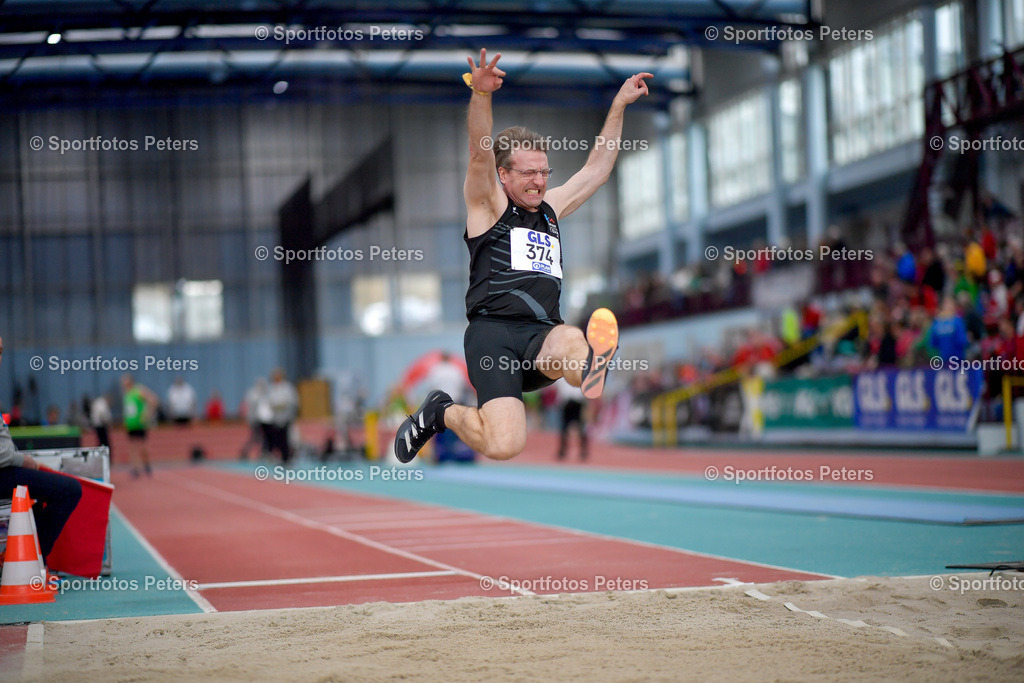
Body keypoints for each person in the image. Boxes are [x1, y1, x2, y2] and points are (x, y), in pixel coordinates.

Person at [394, 49, 651, 463]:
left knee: (571, 339)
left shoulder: (550, 207)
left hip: (541, 338)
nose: (539, 181)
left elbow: (597, 170)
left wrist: (619, 105)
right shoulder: (487, 206)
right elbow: (479, 152)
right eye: (528, 173)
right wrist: (481, 95)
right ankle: (439, 412)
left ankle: (587, 366)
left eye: (544, 172)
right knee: (504, 445)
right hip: (493, 337)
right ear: (504, 175)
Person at [0, 335, 82, 564]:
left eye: (1, 351)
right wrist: (21, 460)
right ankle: (34, 559)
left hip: (7, 470)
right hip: (3, 473)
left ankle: (25, 557)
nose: (0, 357)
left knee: (38, 496)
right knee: (70, 490)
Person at [121, 374, 159, 478]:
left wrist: (147, 414)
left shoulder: (138, 390)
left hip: (140, 423)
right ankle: (135, 469)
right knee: (132, 447)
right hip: (130, 425)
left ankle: (146, 465)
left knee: (142, 447)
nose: (123, 384)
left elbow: (154, 400)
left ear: (130, 382)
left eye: (125, 381)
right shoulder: (126, 394)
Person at [265, 368, 299, 464]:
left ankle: (287, 458)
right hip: (275, 418)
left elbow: (292, 401)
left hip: (286, 417)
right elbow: (269, 402)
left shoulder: (288, 387)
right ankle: (279, 456)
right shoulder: (271, 388)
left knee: (287, 438)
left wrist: (283, 406)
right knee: (277, 439)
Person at [554, 379, 587, 461]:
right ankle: (563, 450)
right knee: (565, 428)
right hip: (568, 402)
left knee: (580, 427)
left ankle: (583, 450)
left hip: (577, 402)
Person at [239, 378, 268, 461]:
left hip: (260, 420)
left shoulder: (261, 393)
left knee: (258, 438)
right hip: (255, 420)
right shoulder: (253, 394)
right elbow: (254, 407)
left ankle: (260, 452)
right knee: (257, 438)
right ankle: (247, 452)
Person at [90, 393, 113, 463]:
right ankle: (105, 458)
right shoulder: (102, 404)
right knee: (104, 443)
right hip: (101, 426)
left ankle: (102, 458)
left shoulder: (98, 402)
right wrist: (106, 422)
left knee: (100, 442)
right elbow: (102, 414)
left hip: (98, 425)